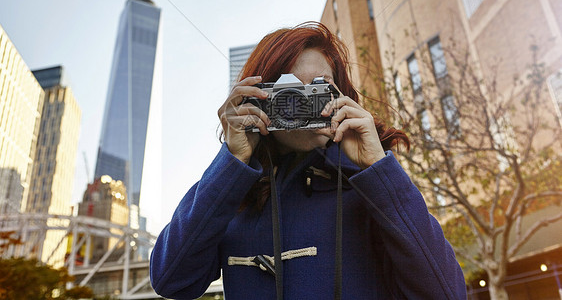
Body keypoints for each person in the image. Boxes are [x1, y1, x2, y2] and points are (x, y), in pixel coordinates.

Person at [150, 22, 466, 299]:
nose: (302, 102)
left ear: (341, 97)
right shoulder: (234, 189)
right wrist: (231, 163)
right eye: (289, 91)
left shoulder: (369, 185)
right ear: (256, 98)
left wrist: (377, 170)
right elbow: (170, 280)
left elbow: (447, 293)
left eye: (319, 88)